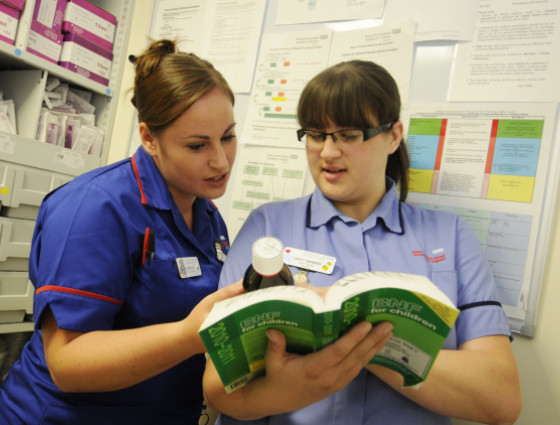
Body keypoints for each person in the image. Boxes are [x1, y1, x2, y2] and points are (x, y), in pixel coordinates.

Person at [203, 60, 522, 425]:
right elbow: (218, 385)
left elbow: (501, 399)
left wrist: (361, 336)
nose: (327, 152)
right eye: (315, 134)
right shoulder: (268, 229)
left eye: (348, 135)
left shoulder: (449, 236)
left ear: (393, 135)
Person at [0, 39, 245, 424]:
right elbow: (67, 361)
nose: (221, 160)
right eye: (198, 145)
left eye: (228, 137)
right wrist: (189, 334)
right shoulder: (95, 207)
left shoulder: (208, 215)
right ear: (149, 138)